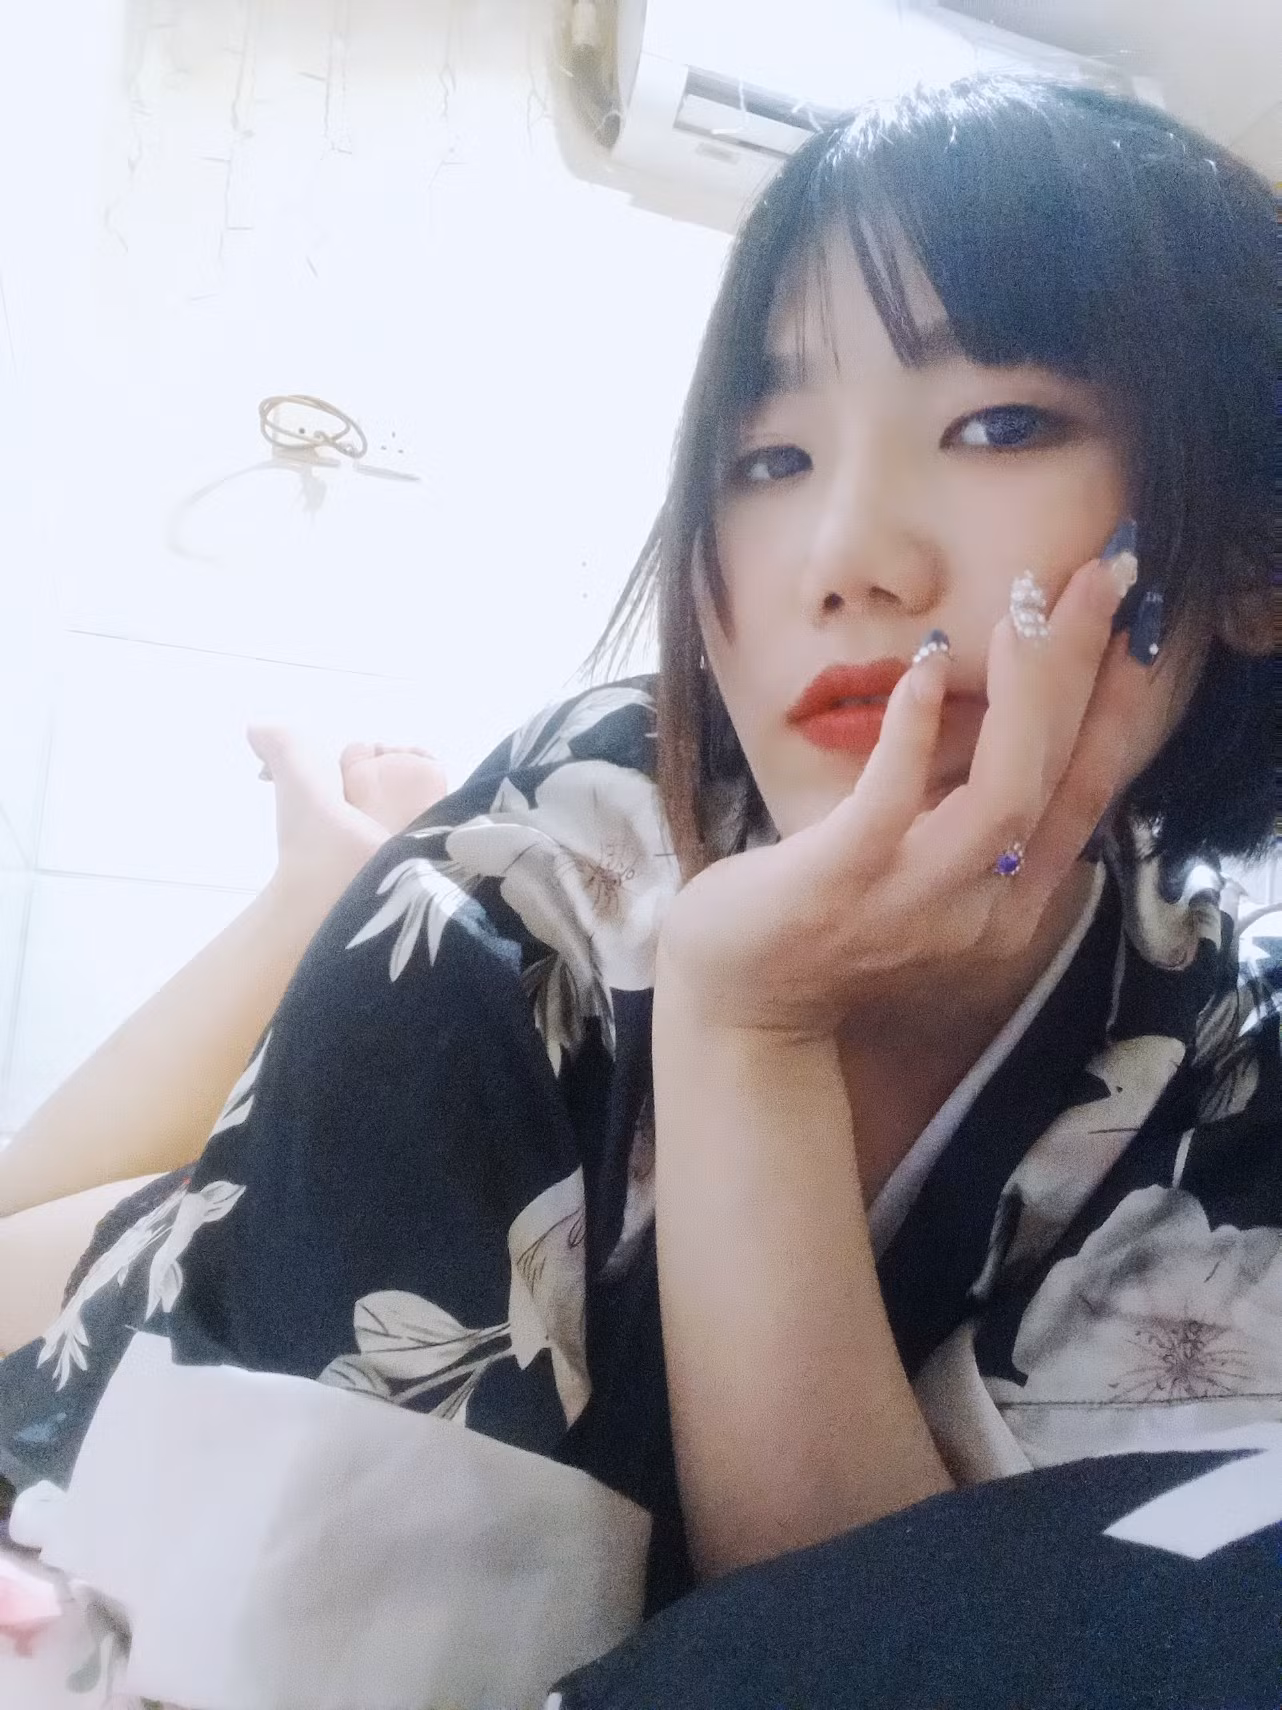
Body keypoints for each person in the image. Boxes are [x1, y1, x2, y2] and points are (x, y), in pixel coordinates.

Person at [0, 72, 1276, 1702]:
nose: (842, 554)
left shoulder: (1218, 1059)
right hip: (132, 1328)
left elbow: (915, 1651)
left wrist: (749, 1027)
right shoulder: (541, 860)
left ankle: (321, 872)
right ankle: (320, 881)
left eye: (999, 425)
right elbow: (290, 1642)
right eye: (768, 454)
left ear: (1247, 560)